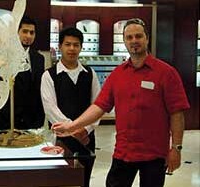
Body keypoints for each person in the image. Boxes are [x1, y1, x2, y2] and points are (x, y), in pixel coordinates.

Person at [52, 18, 190, 187]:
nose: (134, 41)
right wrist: (73, 126)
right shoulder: (118, 74)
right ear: (124, 41)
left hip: (155, 155)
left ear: (147, 38)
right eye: (129, 37)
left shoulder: (166, 73)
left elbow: (177, 113)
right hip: (124, 152)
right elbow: (99, 106)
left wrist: (176, 148)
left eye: (138, 36)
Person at [41, 27, 101, 187]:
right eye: (68, 44)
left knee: (84, 179)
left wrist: (85, 129)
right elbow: (50, 109)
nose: (72, 49)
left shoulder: (90, 73)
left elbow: (98, 105)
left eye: (76, 45)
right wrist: (75, 130)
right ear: (60, 46)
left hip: (87, 138)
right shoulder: (49, 75)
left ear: (81, 47)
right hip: (60, 139)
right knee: (59, 179)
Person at [0, 16, 45, 130]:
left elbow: (38, 92)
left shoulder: (39, 59)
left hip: (31, 125)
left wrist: (39, 121)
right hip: (3, 123)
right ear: (16, 33)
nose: (28, 36)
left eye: (32, 32)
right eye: (24, 31)